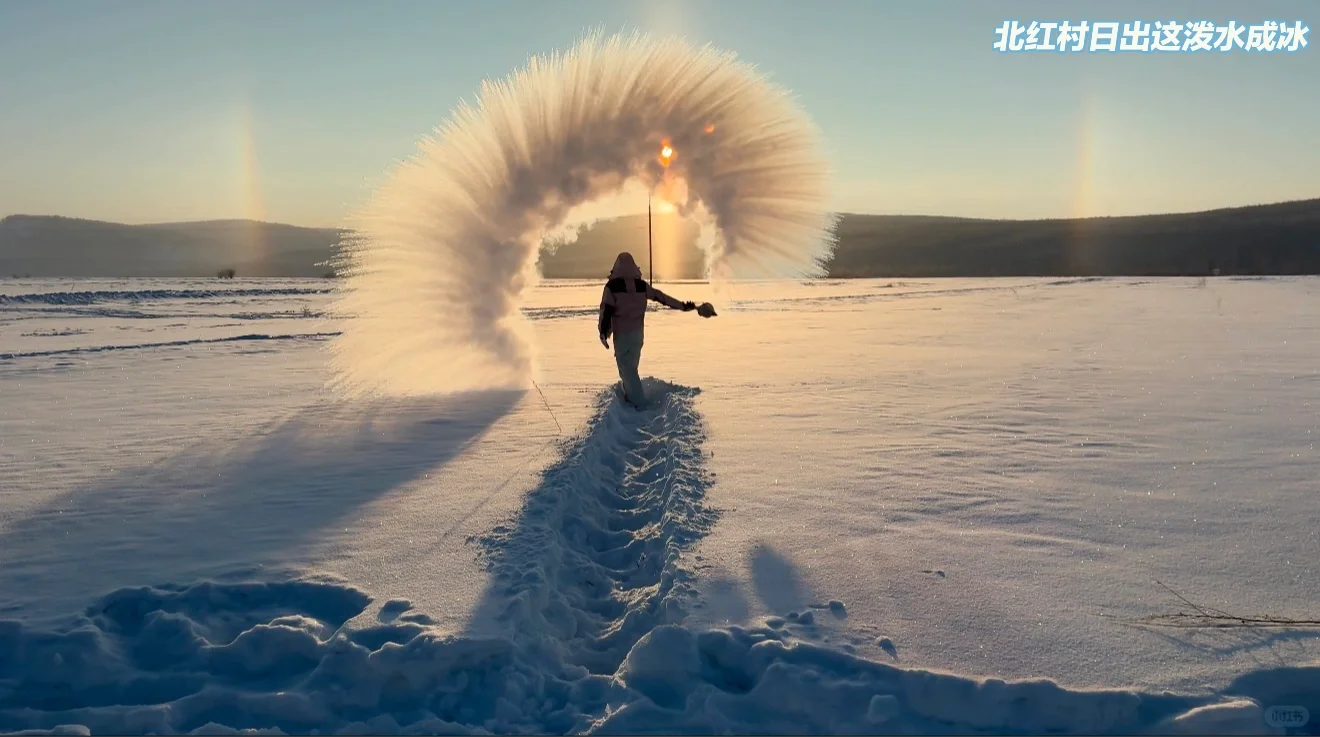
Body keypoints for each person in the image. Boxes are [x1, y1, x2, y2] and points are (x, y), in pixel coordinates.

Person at [597, 251, 696, 408]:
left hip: (622, 337)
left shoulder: (612, 287)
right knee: (630, 370)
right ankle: (632, 399)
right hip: (637, 336)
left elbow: (606, 310)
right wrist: (682, 305)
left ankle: (639, 405)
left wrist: (603, 332)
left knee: (627, 371)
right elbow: (661, 297)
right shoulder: (641, 286)